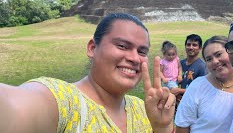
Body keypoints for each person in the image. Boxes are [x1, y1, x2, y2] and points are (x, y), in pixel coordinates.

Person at [0, 13, 175, 133]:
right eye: (122, 46)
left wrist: (161, 127)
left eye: (142, 51)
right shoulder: (65, 101)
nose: (135, 58)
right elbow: (16, 107)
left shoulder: (142, 108)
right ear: (92, 48)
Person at [175, 36, 233, 132]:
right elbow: (182, 126)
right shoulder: (198, 86)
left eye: (219, 54)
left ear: (231, 51)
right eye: (209, 59)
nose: (215, 61)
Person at [170, 34, 206, 108]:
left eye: (194, 45)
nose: (191, 47)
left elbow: (202, 91)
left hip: (192, 106)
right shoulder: (180, 64)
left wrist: (179, 91)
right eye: (188, 44)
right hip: (176, 104)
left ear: (200, 48)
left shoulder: (202, 67)